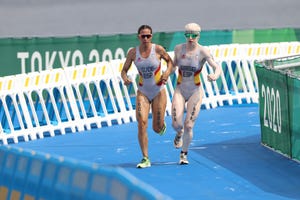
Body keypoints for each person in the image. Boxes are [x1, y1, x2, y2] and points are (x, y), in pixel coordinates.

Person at [121, 25, 173, 168]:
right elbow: (124, 70)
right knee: (142, 123)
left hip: (158, 91)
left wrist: (167, 73)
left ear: (151, 36)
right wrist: (125, 79)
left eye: (148, 36)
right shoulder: (133, 53)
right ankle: (145, 158)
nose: (145, 39)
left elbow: (170, 62)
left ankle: (161, 125)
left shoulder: (158, 49)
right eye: (143, 36)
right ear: (138, 37)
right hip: (142, 91)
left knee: (156, 128)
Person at [171, 23, 221, 165]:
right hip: (180, 90)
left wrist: (215, 75)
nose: (191, 38)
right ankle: (179, 134)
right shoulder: (178, 49)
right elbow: (173, 65)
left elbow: (216, 66)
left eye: (194, 35)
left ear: (199, 36)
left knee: (189, 125)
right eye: (188, 35)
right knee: (176, 124)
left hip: (195, 91)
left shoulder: (203, 51)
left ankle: (184, 154)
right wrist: (165, 74)